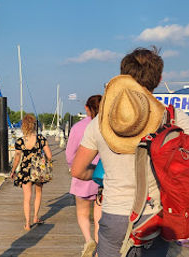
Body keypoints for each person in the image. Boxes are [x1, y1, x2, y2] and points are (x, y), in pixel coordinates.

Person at [71, 46, 189, 257]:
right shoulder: (175, 118)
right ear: (159, 78)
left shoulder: (101, 122)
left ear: (124, 77)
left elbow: (77, 171)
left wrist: (100, 176)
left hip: (115, 213)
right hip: (156, 216)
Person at [66, 95, 102, 257]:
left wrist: (71, 167)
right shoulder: (108, 125)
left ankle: (89, 241)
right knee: (99, 216)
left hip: (84, 173)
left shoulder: (79, 127)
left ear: (87, 108)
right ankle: (99, 248)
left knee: (82, 213)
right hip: (104, 176)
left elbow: (69, 154)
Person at [10, 114, 52, 231]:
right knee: (38, 193)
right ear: (34, 125)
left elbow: (17, 158)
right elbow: (49, 156)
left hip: (25, 170)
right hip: (38, 170)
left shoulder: (20, 141)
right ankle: (36, 217)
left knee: (27, 198)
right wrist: (46, 162)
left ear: (23, 125)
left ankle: (27, 224)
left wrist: (13, 171)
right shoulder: (41, 139)